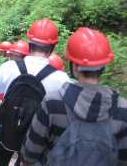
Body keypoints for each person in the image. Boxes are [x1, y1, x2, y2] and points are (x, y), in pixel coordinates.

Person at [22, 27, 127, 166]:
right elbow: (122, 159)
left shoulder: (53, 102)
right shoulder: (122, 108)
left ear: (75, 66)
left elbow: (29, 154)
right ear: (103, 66)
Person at [0, 18, 70, 166]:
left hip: (5, 129)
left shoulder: (8, 67)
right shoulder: (62, 79)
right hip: (35, 139)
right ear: (53, 46)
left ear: (29, 43)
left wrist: (1, 103)